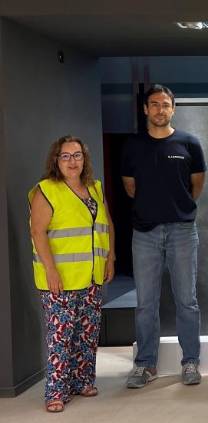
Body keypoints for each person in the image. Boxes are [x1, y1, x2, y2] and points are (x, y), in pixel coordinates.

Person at [122, 84, 206, 388]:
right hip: (144, 232)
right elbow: (130, 187)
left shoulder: (189, 143)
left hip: (182, 230)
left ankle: (191, 362)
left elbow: (196, 185)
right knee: (146, 302)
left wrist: (176, 209)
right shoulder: (133, 145)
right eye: (154, 104)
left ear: (173, 109)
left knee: (187, 300)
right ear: (146, 109)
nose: (160, 110)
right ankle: (145, 364)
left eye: (166, 104)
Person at [29, 136, 115, 412]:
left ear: (84, 159)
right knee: (61, 337)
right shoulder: (46, 190)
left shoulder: (95, 188)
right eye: (65, 156)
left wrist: (110, 257)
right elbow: (37, 232)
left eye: (77, 155)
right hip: (60, 279)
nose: (72, 161)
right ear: (56, 160)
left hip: (91, 275)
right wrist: (50, 271)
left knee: (87, 334)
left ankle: (83, 382)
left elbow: (107, 223)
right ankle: (55, 392)